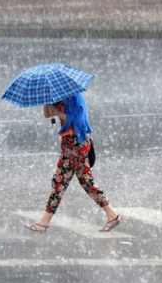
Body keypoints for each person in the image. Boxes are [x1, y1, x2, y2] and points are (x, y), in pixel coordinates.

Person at [24, 93, 121, 233]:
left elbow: (76, 121)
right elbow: (47, 115)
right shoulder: (59, 97)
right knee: (85, 182)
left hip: (75, 144)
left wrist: (57, 112)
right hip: (69, 144)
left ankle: (43, 223)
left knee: (59, 183)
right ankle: (112, 215)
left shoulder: (74, 98)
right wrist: (47, 102)